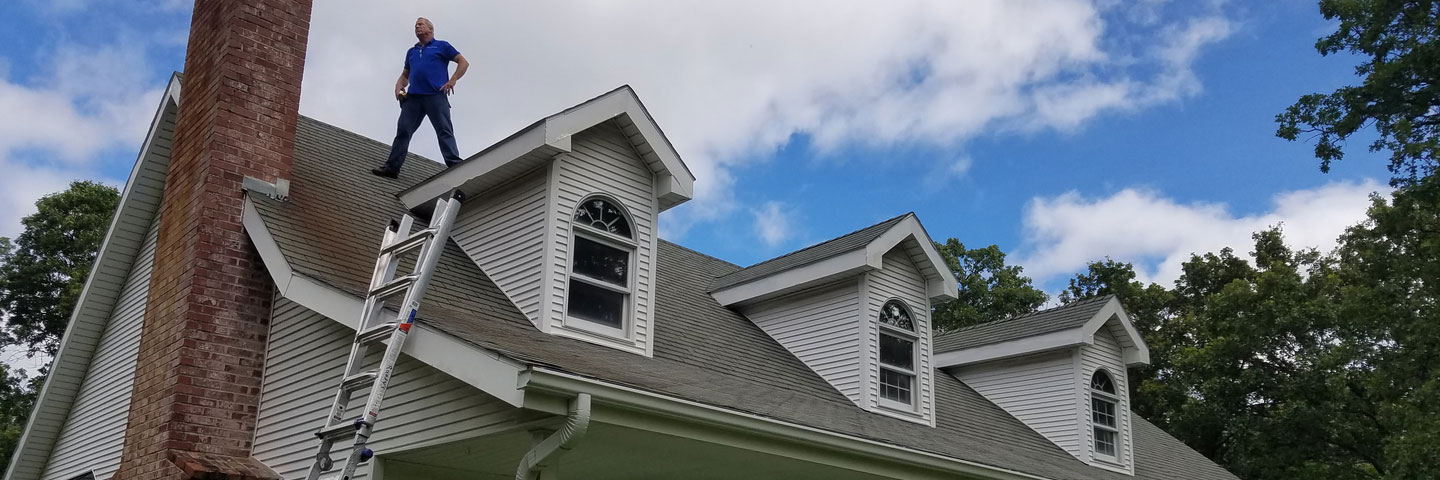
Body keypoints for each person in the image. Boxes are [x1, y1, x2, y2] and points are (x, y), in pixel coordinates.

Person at [372, 17, 470, 179]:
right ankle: (391, 168)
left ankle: (454, 164)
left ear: (430, 30)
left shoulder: (442, 46)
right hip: (414, 99)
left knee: (444, 130)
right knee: (403, 130)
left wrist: (452, 80)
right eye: (415, 25)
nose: (417, 27)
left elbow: (463, 62)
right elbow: (405, 75)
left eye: (421, 24)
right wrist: (399, 85)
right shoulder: (411, 51)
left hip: (435, 96)